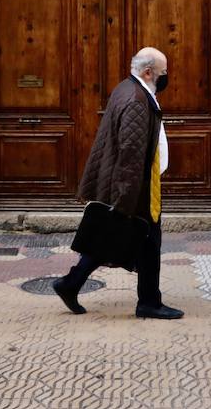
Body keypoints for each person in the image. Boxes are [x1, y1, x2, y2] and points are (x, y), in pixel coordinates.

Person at [54, 46, 183, 320]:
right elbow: (130, 152)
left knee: (116, 239)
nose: (166, 77)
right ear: (149, 72)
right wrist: (126, 199)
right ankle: (148, 302)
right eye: (164, 72)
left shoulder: (128, 88)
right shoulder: (137, 99)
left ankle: (70, 283)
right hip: (136, 188)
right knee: (145, 240)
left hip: (133, 185)